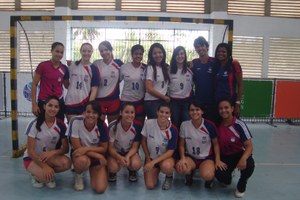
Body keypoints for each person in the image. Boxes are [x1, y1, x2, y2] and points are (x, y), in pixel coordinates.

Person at [23, 96, 71, 188]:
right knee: (46, 179)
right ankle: (36, 174)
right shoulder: (34, 124)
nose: (53, 109)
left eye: (56, 107)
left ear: (58, 109)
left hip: (47, 157)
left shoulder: (61, 125)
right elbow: (30, 151)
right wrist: (44, 166)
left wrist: (52, 152)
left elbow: (65, 149)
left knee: (66, 163)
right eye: (50, 105)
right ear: (45, 106)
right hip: (32, 158)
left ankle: (47, 172)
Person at [175, 101, 225, 188]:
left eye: (197, 110)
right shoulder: (184, 125)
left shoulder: (209, 125)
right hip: (191, 157)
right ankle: (189, 174)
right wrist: (182, 158)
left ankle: (210, 179)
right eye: (192, 110)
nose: (194, 112)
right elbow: (181, 144)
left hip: (206, 158)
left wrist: (217, 160)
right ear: (189, 112)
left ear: (202, 111)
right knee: (181, 168)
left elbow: (216, 144)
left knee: (207, 175)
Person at [215, 98, 255, 198]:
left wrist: (243, 159)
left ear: (232, 108)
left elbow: (249, 146)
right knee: (221, 176)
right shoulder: (217, 124)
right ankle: (228, 176)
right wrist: (218, 160)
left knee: (249, 165)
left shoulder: (239, 125)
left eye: (226, 107)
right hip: (226, 156)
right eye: (221, 108)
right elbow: (215, 145)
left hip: (239, 154)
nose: (223, 110)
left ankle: (242, 183)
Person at [68, 101, 109, 193]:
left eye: (94, 113)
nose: (91, 115)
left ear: (98, 115)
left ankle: (93, 170)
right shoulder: (75, 121)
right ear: (83, 113)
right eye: (88, 112)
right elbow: (77, 148)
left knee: (100, 189)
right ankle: (79, 175)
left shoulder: (102, 126)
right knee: (82, 161)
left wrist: (86, 148)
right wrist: (99, 156)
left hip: (93, 156)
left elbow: (104, 148)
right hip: (81, 155)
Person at [141, 103, 178, 190]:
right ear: (157, 112)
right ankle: (155, 172)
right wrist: (147, 157)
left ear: (170, 114)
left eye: (166, 113)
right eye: (161, 112)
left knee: (167, 166)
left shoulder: (173, 130)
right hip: (151, 158)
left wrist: (152, 163)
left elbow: (170, 152)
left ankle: (169, 176)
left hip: (165, 159)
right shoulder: (148, 123)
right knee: (150, 185)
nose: (163, 114)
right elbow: (143, 140)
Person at [31, 42, 69, 121]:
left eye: (61, 52)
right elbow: (34, 84)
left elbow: (67, 86)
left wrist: (72, 68)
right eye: (57, 51)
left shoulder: (64, 68)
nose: (59, 54)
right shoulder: (43, 66)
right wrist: (34, 104)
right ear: (51, 51)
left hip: (58, 102)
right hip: (44, 101)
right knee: (42, 127)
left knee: (59, 127)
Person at [107, 103, 143, 182]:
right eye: (126, 112)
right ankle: (112, 172)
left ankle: (132, 170)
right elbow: (110, 148)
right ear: (121, 113)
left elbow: (135, 147)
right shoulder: (113, 126)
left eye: (132, 112)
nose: (130, 115)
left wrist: (127, 157)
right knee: (113, 167)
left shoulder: (137, 126)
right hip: (116, 152)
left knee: (136, 164)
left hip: (129, 152)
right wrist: (119, 158)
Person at [65, 43, 100, 121]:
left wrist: (89, 106)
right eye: (84, 51)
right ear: (80, 51)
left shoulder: (93, 68)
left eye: (89, 51)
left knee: (84, 128)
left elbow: (94, 89)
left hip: (84, 103)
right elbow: (66, 84)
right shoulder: (72, 65)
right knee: (72, 127)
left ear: (92, 52)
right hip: (70, 102)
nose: (86, 53)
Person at [93, 41, 123, 123]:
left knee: (113, 125)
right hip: (99, 100)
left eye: (106, 50)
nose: (104, 52)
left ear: (111, 50)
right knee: (99, 125)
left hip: (113, 99)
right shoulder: (96, 64)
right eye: (101, 51)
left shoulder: (118, 64)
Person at [190, 36, 217, 123]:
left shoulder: (215, 62)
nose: (200, 48)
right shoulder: (194, 63)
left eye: (202, 46)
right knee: (199, 123)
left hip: (212, 100)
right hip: (199, 100)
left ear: (207, 47)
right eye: (197, 47)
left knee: (212, 124)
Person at [214, 43, 243, 117]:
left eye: (223, 52)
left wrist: (237, 103)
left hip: (231, 102)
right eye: (219, 51)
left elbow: (240, 85)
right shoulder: (216, 66)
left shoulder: (234, 64)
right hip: (218, 102)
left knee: (232, 126)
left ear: (228, 53)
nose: (221, 53)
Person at [120, 44, 147, 124]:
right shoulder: (124, 67)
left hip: (140, 100)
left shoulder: (145, 68)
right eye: (136, 54)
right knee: (126, 123)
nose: (138, 56)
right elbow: (119, 81)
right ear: (132, 55)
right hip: (126, 100)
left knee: (139, 124)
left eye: (140, 54)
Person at [144, 43, 170, 119]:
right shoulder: (150, 68)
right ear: (151, 55)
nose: (158, 55)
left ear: (163, 53)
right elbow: (149, 88)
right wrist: (165, 97)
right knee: (154, 126)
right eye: (155, 53)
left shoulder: (166, 67)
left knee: (162, 125)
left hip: (162, 101)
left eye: (160, 52)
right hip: (152, 102)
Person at [169, 46, 193, 129]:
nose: (180, 56)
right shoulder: (169, 70)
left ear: (185, 55)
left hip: (186, 102)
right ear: (174, 56)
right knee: (175, 123)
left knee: (186, 123)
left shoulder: (190, 69)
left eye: (182, 54)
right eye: (177, 54)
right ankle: (176, 141)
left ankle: (185, 142)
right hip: (174, 102)